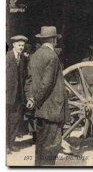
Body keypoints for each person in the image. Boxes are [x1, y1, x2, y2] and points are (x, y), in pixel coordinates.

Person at [25, 26, 70, 166]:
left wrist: (31, 99)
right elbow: (47, 84)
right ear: (53, 39)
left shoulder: (34, 55)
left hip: (40, 111)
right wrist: (36, 99)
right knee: (51, 149)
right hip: (52, 110)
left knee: (41, 147)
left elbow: (29, 81)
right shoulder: (52, 57)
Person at [6, 35, 28, 154]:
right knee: (5, 120)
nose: (21, 47)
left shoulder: (23, 59)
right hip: (7, 95)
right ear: (14, 45)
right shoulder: (7, 56)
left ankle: (11, 143)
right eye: (19, 45)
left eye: (23, 46)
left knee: (16, 120)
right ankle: (5, 145)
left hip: (18, 96)